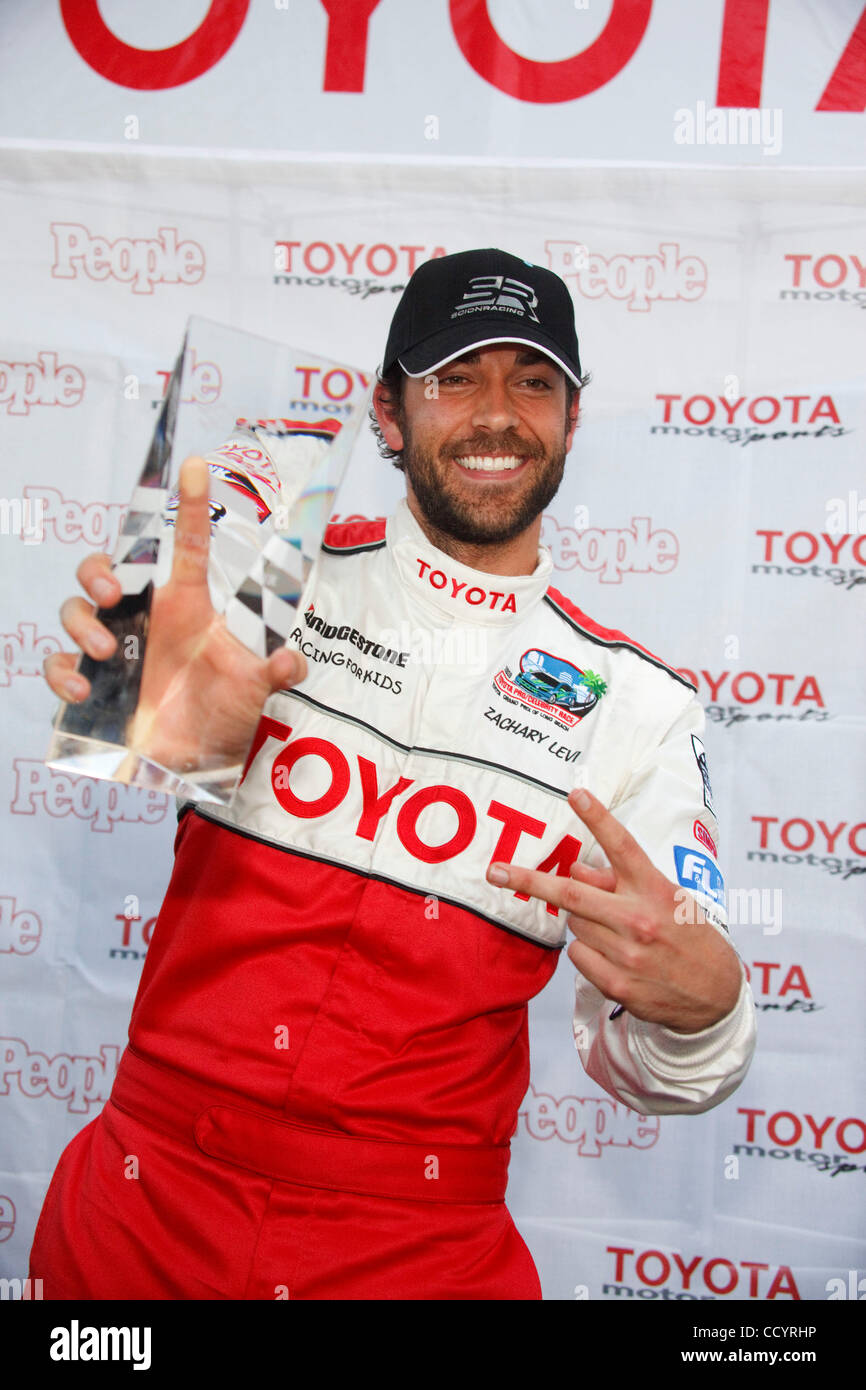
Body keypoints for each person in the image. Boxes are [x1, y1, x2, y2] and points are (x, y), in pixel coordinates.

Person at [32, 248, 755, 1301]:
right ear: (386, 411)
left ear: (571, 417)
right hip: (142, 1212)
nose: (498, 412)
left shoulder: (643, 709)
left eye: (533, 379)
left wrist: (705, 1004)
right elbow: (127, 720)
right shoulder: (264, 573)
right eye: (454, 375)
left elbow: (651, 1065)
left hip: (413, 1253)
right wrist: (141, 709)